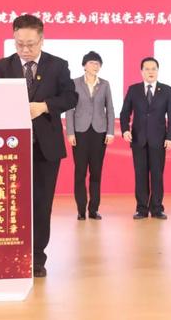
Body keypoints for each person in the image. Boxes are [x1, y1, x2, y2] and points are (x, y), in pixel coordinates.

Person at [0, 14, 78, 278]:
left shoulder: (57, 65)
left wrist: (45, 106)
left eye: (30, 44)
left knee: (41, 204)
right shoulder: (1, 67)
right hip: (10, 147)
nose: (25, 50)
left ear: (41, 40)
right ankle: (11, 253)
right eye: (20, 44)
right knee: (11, 202)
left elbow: (70, 97)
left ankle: (36, 258)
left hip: (45, 147)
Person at [120, 57, 171, 220]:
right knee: (140, 175)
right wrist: (125, 130)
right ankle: (142, 209)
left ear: (157, 71)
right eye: (147, 69)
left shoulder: (167, 90)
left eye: (153, 69)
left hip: (159, 140)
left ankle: (157, 208)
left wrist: (170, 137)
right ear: (141, 71)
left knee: (157, 175)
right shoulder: (133, 90)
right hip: (138, 139)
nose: (150, 72)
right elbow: (125, 113)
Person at [65, 51, 115, 221]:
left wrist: (110, 131)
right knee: (80, 172)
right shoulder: (74, 83)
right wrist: (70, 132)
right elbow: (69, 109)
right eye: (92, 63)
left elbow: (110, 108)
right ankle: (81, 209)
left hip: (99, 132)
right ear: (84, 65)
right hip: (80, 132)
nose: (96, 66)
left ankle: (93, 209)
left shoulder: (105, 84)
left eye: (98, 63)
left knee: (96, 172)